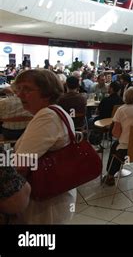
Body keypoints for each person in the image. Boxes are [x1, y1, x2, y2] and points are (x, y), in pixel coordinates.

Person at [12, 69, 77, 224]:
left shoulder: (47, 116)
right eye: (18, 89)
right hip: (55, 195)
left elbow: (21, 162)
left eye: (27, 89)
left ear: (47, 92)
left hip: (45, 205)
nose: (19, 95)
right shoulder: (56, 112)